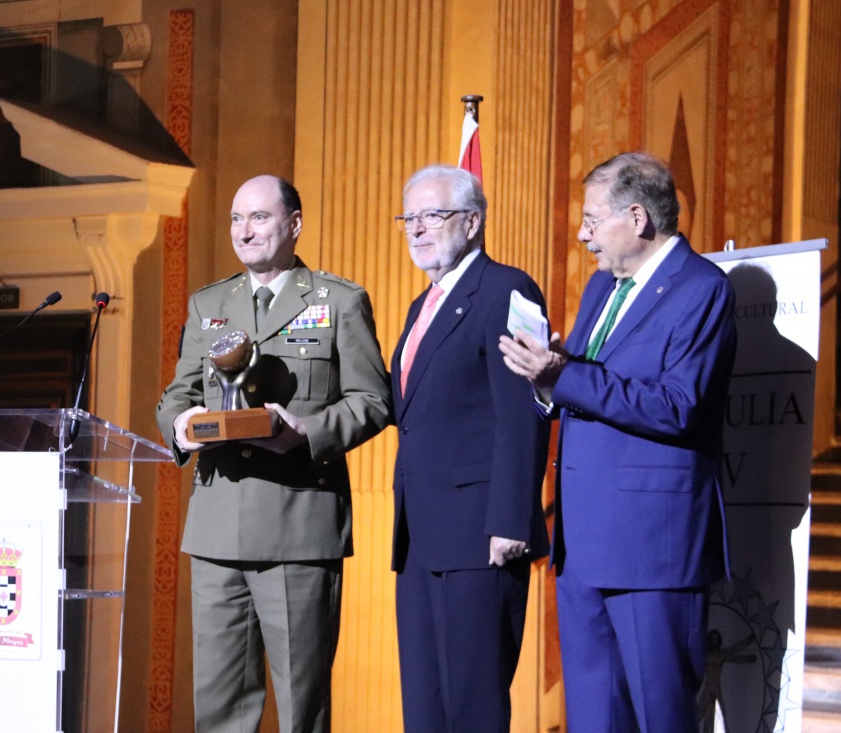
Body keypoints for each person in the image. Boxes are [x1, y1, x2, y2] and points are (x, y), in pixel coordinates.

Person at [498, 151, 737, 733]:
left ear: (636, 217)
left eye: (590, 220)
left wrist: (563, 375)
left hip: (653, 550)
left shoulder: (703, 289)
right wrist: (546, 377)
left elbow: (678, 405)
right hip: (581, 546)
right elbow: (581, 386)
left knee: (660, 718)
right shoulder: (604, 288)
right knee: (593, 720)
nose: (581, 236)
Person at [155, 174, 393, 733]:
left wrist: (306, 433)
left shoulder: (339, 299)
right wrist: (182, 426)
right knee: (219, 711)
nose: (245, 230)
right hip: (217, 530)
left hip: (297, 526)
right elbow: (177, 396)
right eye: (237, 219)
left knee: (301, 709)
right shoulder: (210, 302)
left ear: (294, 224)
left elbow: (373, 400)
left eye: (259, 217)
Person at [390, 164, 551, 732]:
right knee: (426, 712)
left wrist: (511, 521)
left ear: (473, 221)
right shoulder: (420, 306)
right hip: (420, 540)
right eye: (408, 217)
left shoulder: (509, 289)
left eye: (432, 216)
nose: (416, 229)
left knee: (473, 708)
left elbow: (524, 413)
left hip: (482, 537)